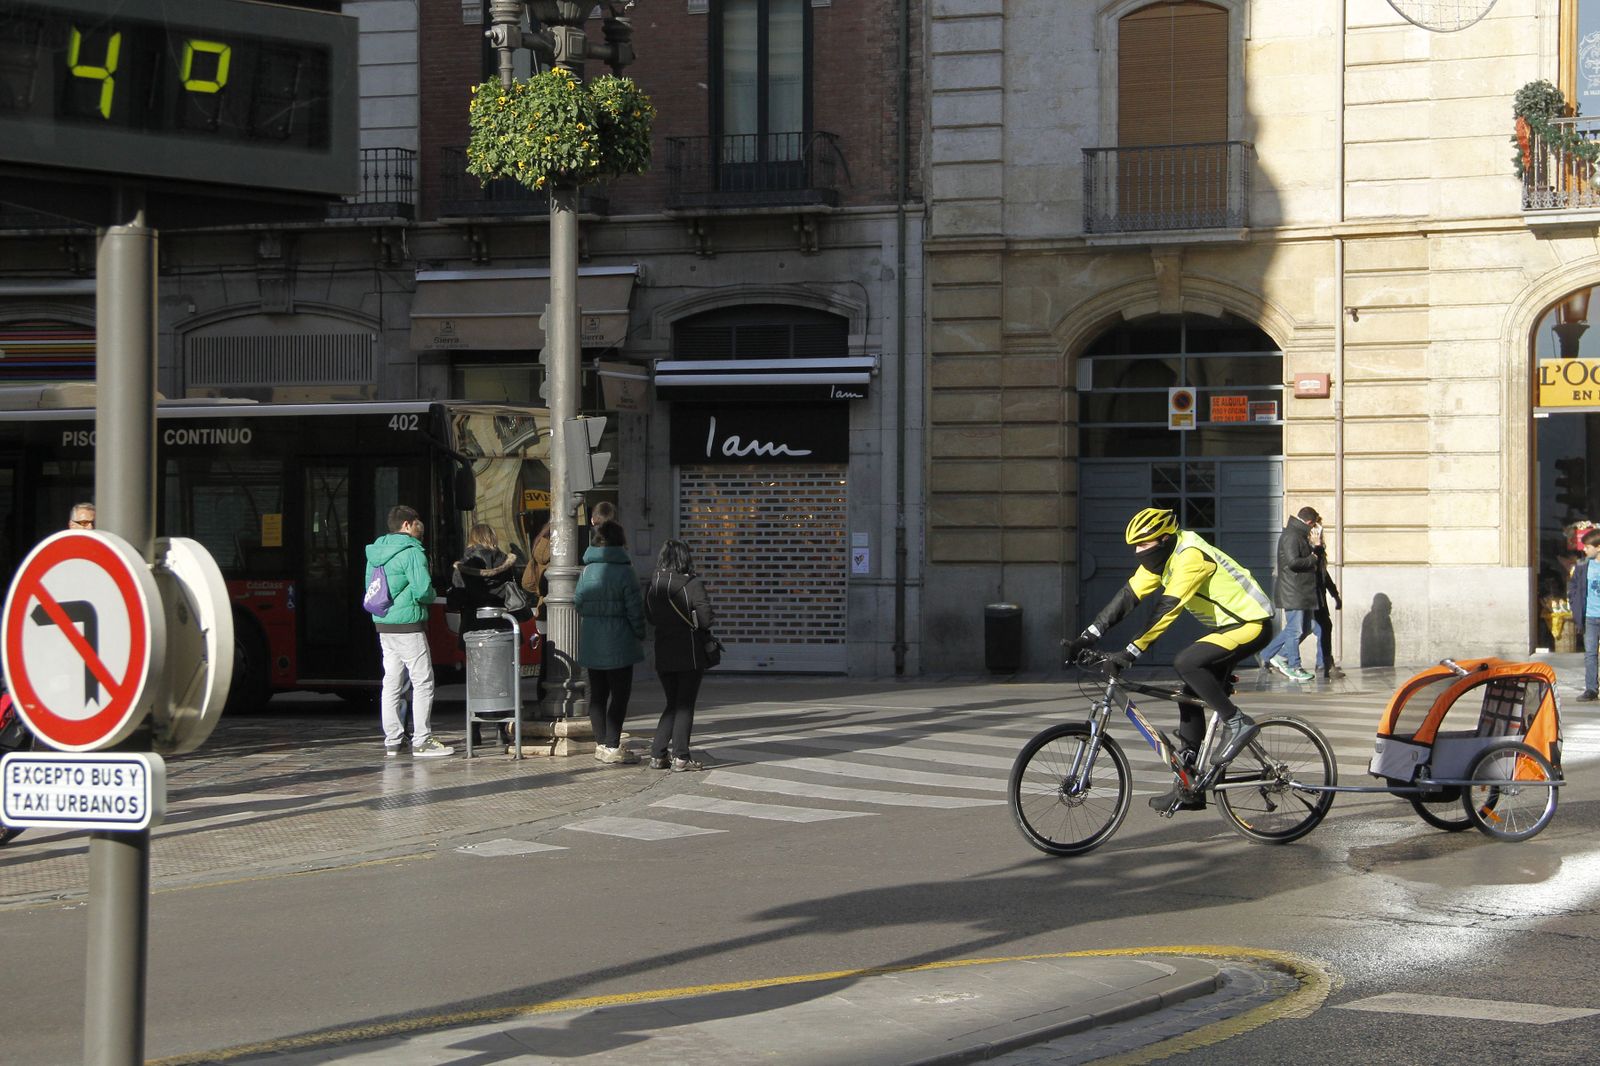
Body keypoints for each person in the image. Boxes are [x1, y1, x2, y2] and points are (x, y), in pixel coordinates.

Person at [1066, 506, 1274, 812]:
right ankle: (1190, 787)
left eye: (1143, 544)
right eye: (1134, 545)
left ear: (1165, 539)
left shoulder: (1190, 557)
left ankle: (1237, 722)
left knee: (1187, 662)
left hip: (1251, 624)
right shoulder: (1163, 560)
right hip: (1228, 627)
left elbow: (1166, 610)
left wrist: (1129, 653)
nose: (1138, 551)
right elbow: (1127, 598)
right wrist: (1087, 637)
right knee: (1188, 696)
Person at [365, 505, 452, 758]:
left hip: (384, 623)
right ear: (406, 525)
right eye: (416, 522)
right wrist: (432, 595)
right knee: (422, 681)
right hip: (409, 625)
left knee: (392, 681)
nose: (419, 526)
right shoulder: (412, 551)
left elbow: (371, 586)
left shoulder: (376, 551)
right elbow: (423, 590)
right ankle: (422, 740)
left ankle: (393, 739)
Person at [574, 519, 645, 763]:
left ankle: (601, 744)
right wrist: (640, 633)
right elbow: (635, 610)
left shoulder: (587, 571)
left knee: (597, 695)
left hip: (592, 640)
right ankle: (613, 745)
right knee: (620, 695)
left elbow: (578, 602)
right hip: (620, 642)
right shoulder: (625, 571)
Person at [643, 539, 715, 772]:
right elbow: (706, 620)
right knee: (684, 705)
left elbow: (650, 617)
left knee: (673, 703)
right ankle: (681, 756)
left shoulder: (653, 585)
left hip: (663, 651)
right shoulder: (692, 584)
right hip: (689, 652)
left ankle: (658, 754)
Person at [1256, 506, 1321, 683]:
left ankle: (1269, 654)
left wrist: (1316, 549)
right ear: (1310, 522)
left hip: (1300, 591)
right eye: (1314, 525)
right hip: (1293, 591)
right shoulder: (1292, 535)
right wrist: (1313, 558)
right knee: (1295, 629)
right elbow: (1293, 562)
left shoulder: (1298, 534)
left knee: (1306, 627)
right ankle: (1294, 666)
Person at [451, 522, 521, 634]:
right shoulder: (507, 563)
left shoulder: (463, 565)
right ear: (493, 538)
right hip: (504, 623)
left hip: (472, 625)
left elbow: (455, 601)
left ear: (472, 539)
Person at [1307, 520, 1344, 679]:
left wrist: (1335, 595)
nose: (1320, 536)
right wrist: (1316, 547)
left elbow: (1324, 575)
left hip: (1319, 598)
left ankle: (1325, 664)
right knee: (1302, 629)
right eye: (1318, 533)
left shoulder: (1319, 549)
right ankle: (1275, 655)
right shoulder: (1308, 549)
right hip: (1309, 597)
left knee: (1323, 628)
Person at [1568, 528, 1600, 701]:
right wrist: (1575, 606)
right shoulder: (1582, 566)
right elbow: (1573, 587)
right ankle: (1591, 689)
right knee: (1590, 654)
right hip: (1589, 617)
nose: (1584, 550)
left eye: (1588, 547)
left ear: (1598, 547)